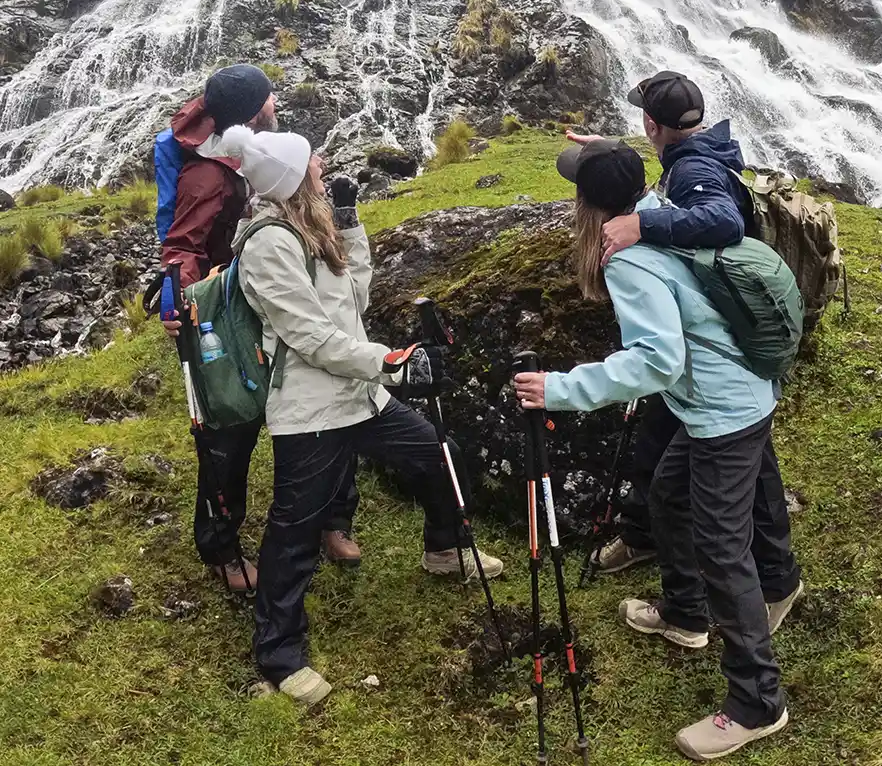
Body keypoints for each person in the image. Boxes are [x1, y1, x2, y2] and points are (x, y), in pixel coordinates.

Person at [515, 138, 801, 762]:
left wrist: (559, 389)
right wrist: (609, 154)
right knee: (669, 498)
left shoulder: (627, 258)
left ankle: (758, 702)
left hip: (725, 413)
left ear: (587, 205)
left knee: (723, 551)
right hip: (734, 395)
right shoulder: (659, 212)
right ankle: (686, 615)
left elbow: (658, 361)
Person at [221, 123, 504, 706]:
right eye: (312, 162)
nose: (322, 164)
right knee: (296, 527)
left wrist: (350, 224)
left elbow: (354, 302)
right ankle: (280, 655)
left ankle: (445, 550)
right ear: (292, 179)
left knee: (436, 455)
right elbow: (310, 336)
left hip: (357, 393)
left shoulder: (309, 223)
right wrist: (391, 362)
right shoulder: (267, 242)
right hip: (312, 405)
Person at [160, 63, 359, 594]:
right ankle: (222, 548)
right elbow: (182, 244)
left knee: (327, 405)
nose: (277, 101)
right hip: (230, 316)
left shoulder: (273, 146)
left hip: (286, 293)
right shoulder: (208, 173)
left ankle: (333, 518)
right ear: (256, 109)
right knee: (230, 428)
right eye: (270, 96)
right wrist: (178, 304)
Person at [569, 71, 758, 578]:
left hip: (712, 361)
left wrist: (641, 224)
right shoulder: (703, 150)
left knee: (674, 467)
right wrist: (610, 158)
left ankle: (686, 586)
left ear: (651, 124)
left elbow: (724, 220)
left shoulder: (693, 171)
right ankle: (769, 572)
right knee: (717, 455)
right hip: (731, 352)